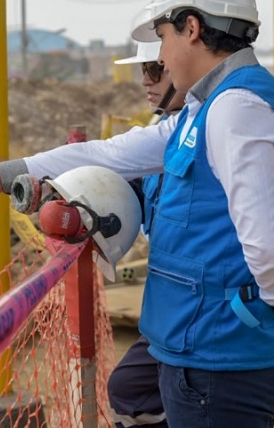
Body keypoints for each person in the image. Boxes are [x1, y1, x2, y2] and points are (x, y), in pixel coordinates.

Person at [0, 0, 274, 427]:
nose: (159, 57)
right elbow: (114, 153)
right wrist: (4, 174)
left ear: (192, 28)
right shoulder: (209, 107)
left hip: (218, 354)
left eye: (162, 37)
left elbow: (264, 235)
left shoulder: (237, 108)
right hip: (198, 344)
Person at [108, 41, 185, 428]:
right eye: (142, 71)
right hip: (169, 312)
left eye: (155, 70)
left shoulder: (206, 132)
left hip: (199, 315)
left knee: (136, 391)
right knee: (127, 390)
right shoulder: (164, 131)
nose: (145, 81)